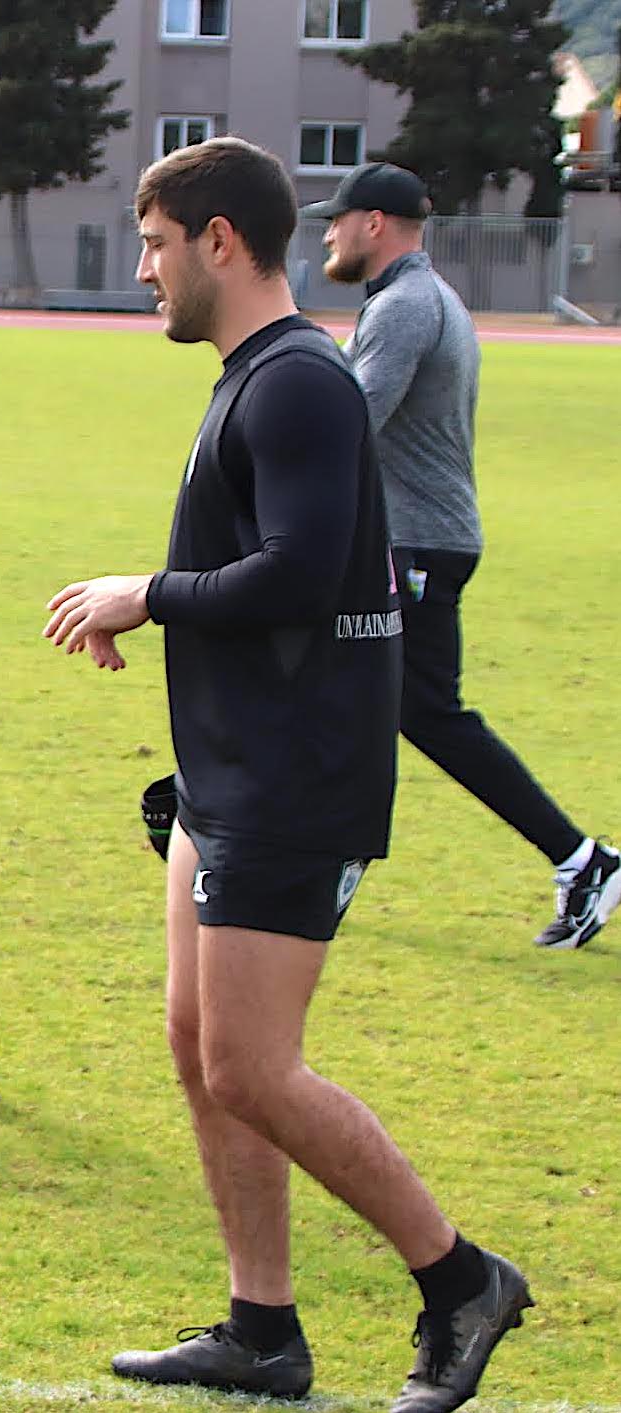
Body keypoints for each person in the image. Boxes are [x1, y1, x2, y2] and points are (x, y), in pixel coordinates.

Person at [43, 139, 530, 1410]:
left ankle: (460, 1278)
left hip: (292, 776)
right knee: (199, 1046)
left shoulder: (299, 381)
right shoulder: (254, 375)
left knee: (255, 1066)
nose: (142, 271)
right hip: (227, 767)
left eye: (153, 245)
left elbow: (304, 574)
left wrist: (144, 595)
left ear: (217, 241)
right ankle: (261, 1328)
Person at [306, 161, 618, 950]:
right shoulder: (413, 298)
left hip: (414, 543)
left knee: (412, 709)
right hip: (413, 538)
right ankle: (336, 857)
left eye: (337, 220)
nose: (328, 234)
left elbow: (350, 422)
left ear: (374, 224)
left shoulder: (407, 306)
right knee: (371, 701)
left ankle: (580, 859)